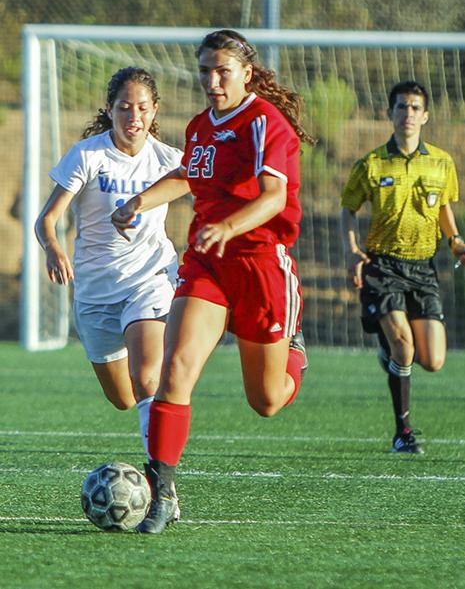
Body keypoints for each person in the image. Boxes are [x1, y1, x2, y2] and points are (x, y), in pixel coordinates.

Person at [111, 29, 314, 533]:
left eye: (222, 70)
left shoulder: (267, 123)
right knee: (175, 370)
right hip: (208, 264)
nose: (212, 80)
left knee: (266, 401)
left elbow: (272, 197)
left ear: (247, 73)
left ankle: (295, 349)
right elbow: (189, 176)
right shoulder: (201, 125)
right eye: (205, 70)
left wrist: (230, 224)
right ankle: (162, 495)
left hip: (261, 265)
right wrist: (140, 200)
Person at [35, 67, 184, 459]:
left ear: (155, 111)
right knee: (123, 397)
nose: (133, 118)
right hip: (96, 291)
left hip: (149, 278)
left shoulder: (169, 160)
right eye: (124, 108)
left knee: (147, 378)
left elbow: (203, 184)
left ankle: (160, 480)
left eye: (142, 108)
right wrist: (53, 247)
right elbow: (47, 219)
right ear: (109, 109)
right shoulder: (88, 155)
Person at [340, 80, 465, 455]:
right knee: (404, 348)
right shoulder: (371, 164)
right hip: (383, 265)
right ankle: (403, 432)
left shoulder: (441, 162)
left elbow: (444, 208)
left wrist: (456, 242)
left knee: (432, 360)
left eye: (415, 108)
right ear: (390, 113)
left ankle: (389, 356)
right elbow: (348, 209)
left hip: (423, 267)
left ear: (426, 115)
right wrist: (353, 250)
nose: (408, 114)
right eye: (401, 107)